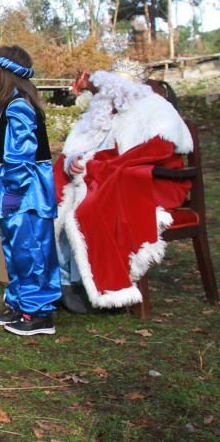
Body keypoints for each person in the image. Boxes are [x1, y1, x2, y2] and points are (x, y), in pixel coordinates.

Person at [54, 60, 192, 313]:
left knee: (92, 205)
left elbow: (158, 150)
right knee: (55, 194)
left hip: (149, 183)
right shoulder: (102, 111)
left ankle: (98, 288)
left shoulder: (154, 108)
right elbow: (78, 147)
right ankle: (64, 280)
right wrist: (74, 161)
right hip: (99, 177)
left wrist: (96, 166)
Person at [0, 46, 60, 336]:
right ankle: (19, 303)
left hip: (26, 196)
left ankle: (39, 313)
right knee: (14, 248)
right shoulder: (12, 106)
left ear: (3, 75)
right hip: (14, 195)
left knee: (31, 251)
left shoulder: (19, 108)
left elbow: (21, 157)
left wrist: (13, 193)